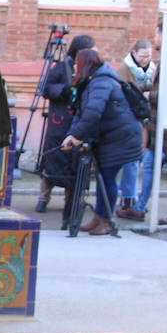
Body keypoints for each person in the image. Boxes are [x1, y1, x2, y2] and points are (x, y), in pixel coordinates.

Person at [62, 48, 144, 235]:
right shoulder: (94, 81)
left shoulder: (101, 82)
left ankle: (105, 221)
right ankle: (99, 217)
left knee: (107, 179)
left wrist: (76, 137)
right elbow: (82, 113)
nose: (74, 66)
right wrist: (72, 134)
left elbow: (93, 113)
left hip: (120, 139)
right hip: (112, 138)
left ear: (85, 64)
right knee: (103, 178)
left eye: (77, 63)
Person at [131, 23, 167, 225]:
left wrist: (147, 94)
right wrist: (140, 86)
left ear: (164, 35)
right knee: (151, 165)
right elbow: (160, 86)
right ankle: (139, 207)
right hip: (162, 124)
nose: (154, 37)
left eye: (157, 33)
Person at [37, 34, 96, 229]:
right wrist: (64, 89)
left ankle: (69, 204)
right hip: (59, 123)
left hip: (76, 124)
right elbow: (45, 88)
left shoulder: (89, 69)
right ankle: (43, 198)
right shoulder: (62, 67)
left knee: (73, 166)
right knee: (52, 162)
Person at [114, 39, 156, 218]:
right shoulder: (124, 70)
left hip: (141, 122)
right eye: (143, 56)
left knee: (134, 161)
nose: (146, 60)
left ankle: (127, 199)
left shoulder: (152, 70)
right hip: (127, 122)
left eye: (149, 56)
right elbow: (122, 94)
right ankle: (126, 199)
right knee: (130, 161)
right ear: (134, 53)